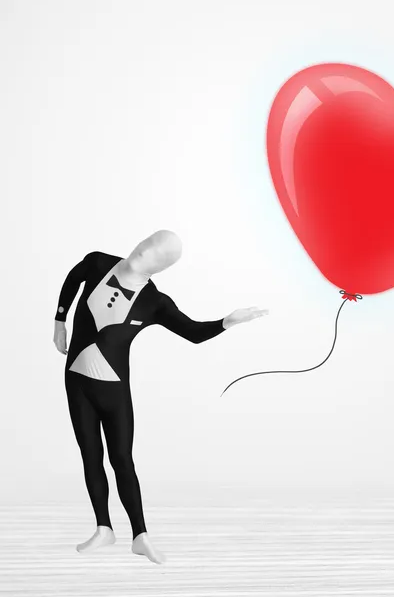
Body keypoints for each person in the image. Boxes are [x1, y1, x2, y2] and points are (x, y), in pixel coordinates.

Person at [52, 229, 268, 564]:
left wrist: (227, 321)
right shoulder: (97, 263)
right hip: (76, 382)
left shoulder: (155, 302)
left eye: (158, 252)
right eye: (150, 240)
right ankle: (103, 528)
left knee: (122, 459)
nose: (147, 248)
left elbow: (193, 332)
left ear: (160, 267)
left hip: (114, 391)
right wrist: (59, 320)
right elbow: (72, 278)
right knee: (90, 456)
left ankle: (140, 535)